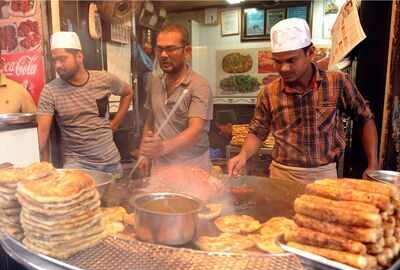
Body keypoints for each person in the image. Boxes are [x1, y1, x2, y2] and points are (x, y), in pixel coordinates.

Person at [228, 18, 378, 184]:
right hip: (281, 175)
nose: (284, 68)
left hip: (323, 174)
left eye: (291, 60)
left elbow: (364, 118)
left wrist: (373, 164)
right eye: (278, 61)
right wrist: (243, 155)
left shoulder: (337, 82)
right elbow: (257, 131)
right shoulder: (269, 92)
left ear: (310, 53)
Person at [37, 31, 133, 174]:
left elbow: (128, 92)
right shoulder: (50, 91)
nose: (57, 65)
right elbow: (42, 136)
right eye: (54, 60)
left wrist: (115, 124)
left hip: (111, 163)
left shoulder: (104, 79)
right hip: (77, 167)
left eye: (62, 59)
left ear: (79, 57)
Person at [139, 24, 213, 174]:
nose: (163, 55)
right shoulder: (154, 82)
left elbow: (195, 130)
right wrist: (144, 151)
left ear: (187, 51)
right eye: (159, 49)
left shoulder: (199, 85)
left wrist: (163, 147)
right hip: (161, 164)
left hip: (192, 164)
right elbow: (151, 119)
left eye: (171, 49)